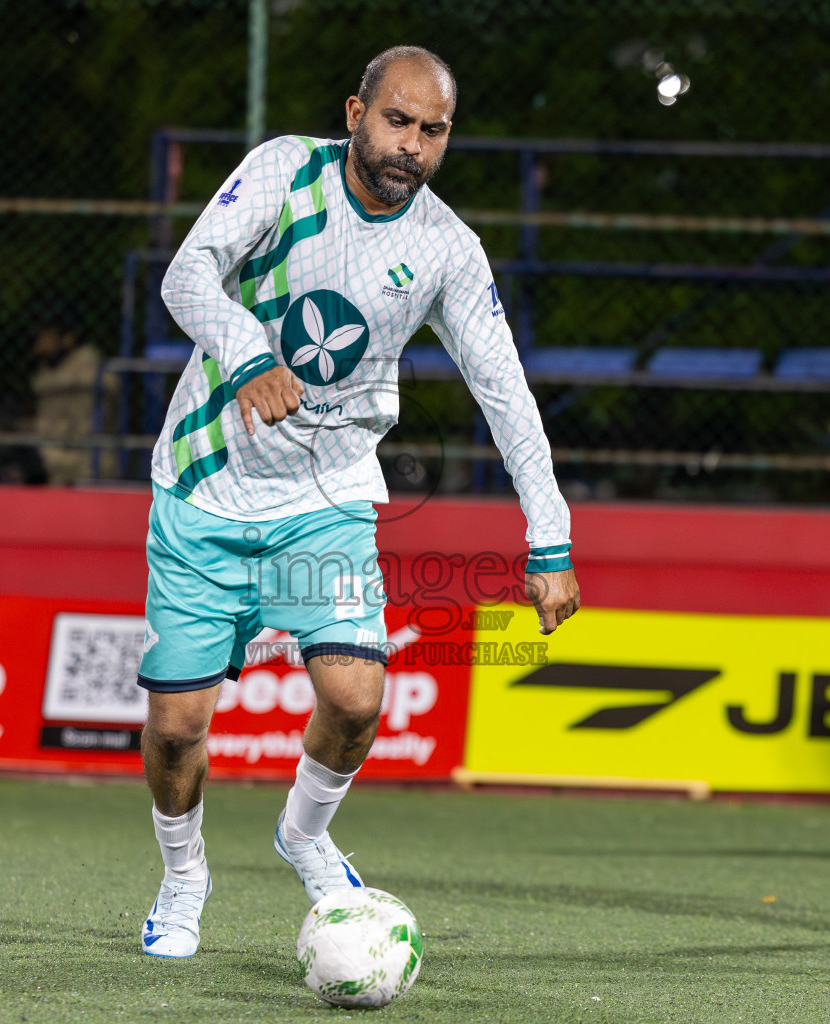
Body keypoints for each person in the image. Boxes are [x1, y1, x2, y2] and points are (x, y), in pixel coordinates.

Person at [137, 46, 581, 958]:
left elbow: (503, 388)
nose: (412, 145)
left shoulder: (447, 249)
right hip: (206, 487)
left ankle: (301, 834)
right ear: (355, 112)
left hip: (327, 498)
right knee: (178, 726)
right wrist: (251, 356)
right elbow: (185, 277)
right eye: (397, 121)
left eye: (433, 130)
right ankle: (184, 879)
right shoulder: (284, 173)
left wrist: (550, 534)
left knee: (355, 699)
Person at [30, 304, 116, 485]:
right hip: (61, 459)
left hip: (85, 462)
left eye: (46, 338)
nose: (40, 346)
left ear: (67, 338)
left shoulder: (88, 368)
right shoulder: (52, 369)